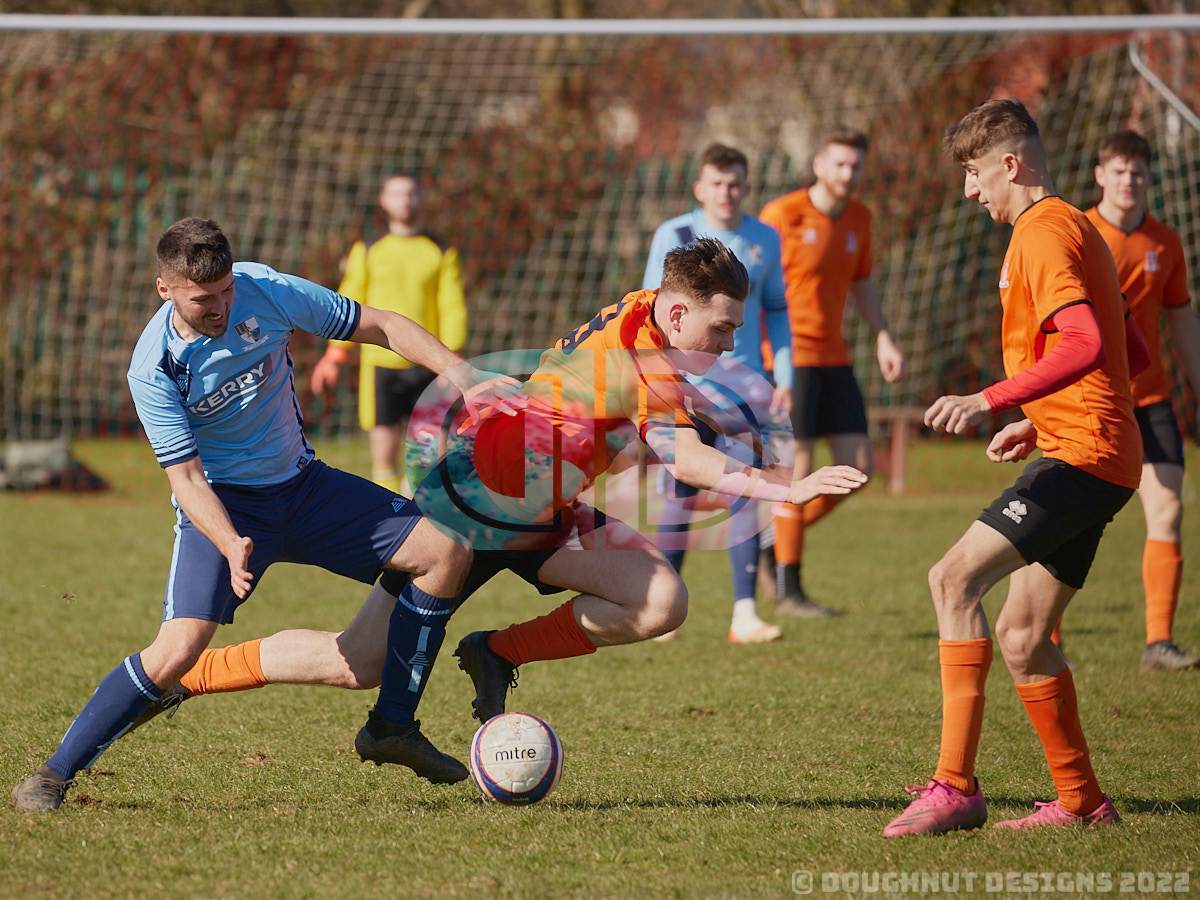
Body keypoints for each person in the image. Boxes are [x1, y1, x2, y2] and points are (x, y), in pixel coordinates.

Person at [124, 239, 867, 768]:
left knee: (660, 602)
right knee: (358, 661)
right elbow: (687, 458)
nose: (729, 342)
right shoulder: (647, 361)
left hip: (543, 509)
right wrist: (785, 486)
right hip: (474, 501)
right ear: (675, 315)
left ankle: (496, 652)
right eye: (722, 327)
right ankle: (191, 674)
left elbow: (638, 412)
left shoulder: (649, 314)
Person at [11, 217, 520, 812]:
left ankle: (392, 727)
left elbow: (380, 324)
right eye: (203, 299)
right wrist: (229, 542)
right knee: (178, 649)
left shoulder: (266, 289)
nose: (221, 307)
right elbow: (186, 478)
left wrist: (463, 376)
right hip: (226, 506)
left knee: (445, 550)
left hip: (305, 488)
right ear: (164, 289)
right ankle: (53, 774)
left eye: (226, 290)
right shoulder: (153, 368)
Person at [884, 99, 1150, 836]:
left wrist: (991, 399)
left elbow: (1086, 342)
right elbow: (1133, 351)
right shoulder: (1080, 227)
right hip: (1098, 452)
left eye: (974, 173)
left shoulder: (1041, 232)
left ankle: (954, 787)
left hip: (1084, 457)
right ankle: (1083, 803)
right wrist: (1038, 418)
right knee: (1025, 637)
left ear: (1010, 164)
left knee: (952, 579)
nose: (970, 191)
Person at [642, 142, 793, 644]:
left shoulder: (764, 238)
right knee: (679, 493)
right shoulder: (674, 236)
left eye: (735, 184)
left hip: (743, 389)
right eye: (717, 183)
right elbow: (653, 311)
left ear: (746, 188)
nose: (726, 192)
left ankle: (745, 613)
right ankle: (661, 610)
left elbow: (778, 311)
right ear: (699, 188)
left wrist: (785, 374)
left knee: (744, 486)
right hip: (682, 387)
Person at [760, 128, 905, 617]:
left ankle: (774, 540)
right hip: (789, 358)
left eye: (856, 165)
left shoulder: (860, 218)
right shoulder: (782, 215)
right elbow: (752, 284)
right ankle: (789, 590)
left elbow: (863, 281)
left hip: (835, 357)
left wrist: (883, 335)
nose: (848, 173)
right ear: (818, 165)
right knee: (797, 466)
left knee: (858, 468)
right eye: (839, 163)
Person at [1083, 130, 1200, 671]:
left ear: (1150, 177)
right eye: (1119, 170)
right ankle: (1046, 637)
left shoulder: (1165, 242)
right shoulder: (1080, 233)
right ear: (1100, 175)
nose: (1129, 180)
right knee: (1075, 519)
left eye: (1137, 172)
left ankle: (1158, 644)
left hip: (1150, 400)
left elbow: (1182, 323)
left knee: (1169, 509)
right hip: (1092, 400)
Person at [311, 173, 467, 495]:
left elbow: (451, 304)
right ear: (383, 200)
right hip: (380, 364)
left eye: (411, 193)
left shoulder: (439, 250)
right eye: (397, 194)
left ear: (421, 198)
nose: (405, 200)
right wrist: (335, 355)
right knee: (384, 454)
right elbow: (349, 300)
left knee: (431, 455)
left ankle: (426, 514)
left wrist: (451, 359)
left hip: (427, 363)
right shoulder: (368, 249)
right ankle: (394, 514)